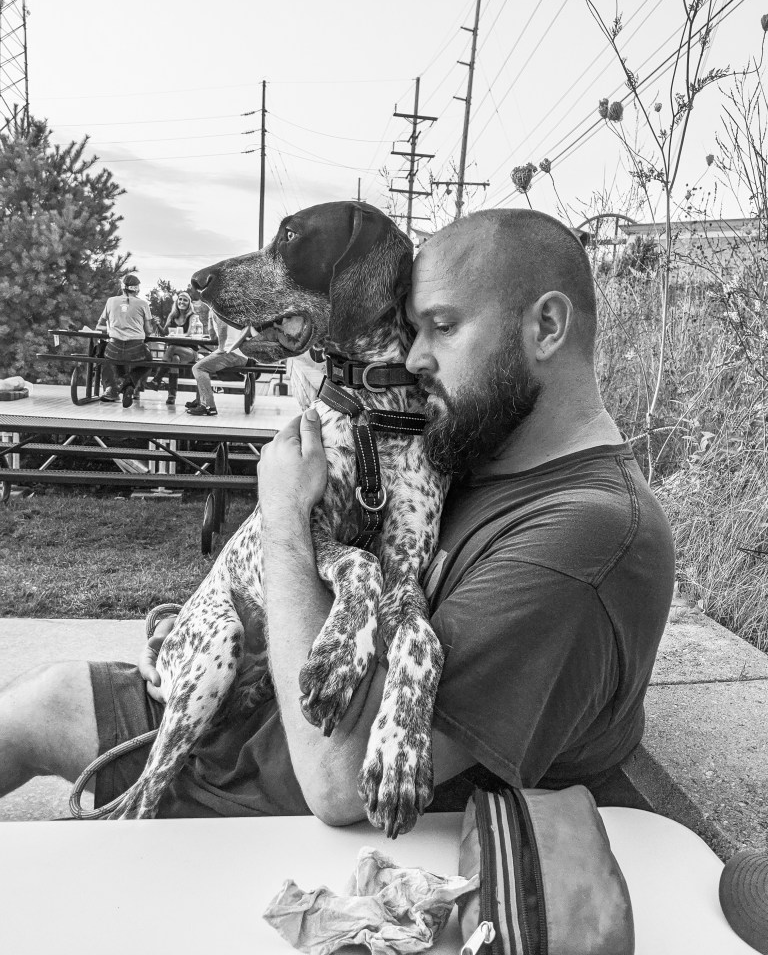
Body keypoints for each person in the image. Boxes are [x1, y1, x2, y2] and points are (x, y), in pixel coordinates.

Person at [0, 209, 674, 822]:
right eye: (411, 328)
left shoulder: (583, 540)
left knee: (35, 725)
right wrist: (229, 605)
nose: (413, 357)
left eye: (442, 327)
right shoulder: (482, 446)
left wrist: (283, 523)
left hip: (269, 780)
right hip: (255, 689)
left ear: (546, 327)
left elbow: (339, 783)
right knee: (37, 698)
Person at [95, 273, 154, 409]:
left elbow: (99, 326)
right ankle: (129, 384)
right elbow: (148, 331)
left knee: (116, 360)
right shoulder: (143, 304)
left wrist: (114, 328)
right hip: (136, 349)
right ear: (137, 289)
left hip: (113, 348)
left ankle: (124, 385)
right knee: (148, 362)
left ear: (122, 287)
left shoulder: (111, 301)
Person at [185, 309, 248, 417]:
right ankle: (201, 400)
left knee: (198, 368)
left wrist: (221, 348)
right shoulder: (227, 307)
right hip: (240, 353)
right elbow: (213, 336)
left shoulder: (217, 307)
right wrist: (210, 319)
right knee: (202, 364)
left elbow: (222, 328)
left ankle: (209, 406)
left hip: (232, 353)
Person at [146, 291, 198, 406]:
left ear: (189, 303)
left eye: (185, 300)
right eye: (180, 299)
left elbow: (190, 333)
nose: (182, 302)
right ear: (177, 301)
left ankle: (157, 379)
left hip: (190, 352)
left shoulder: (192, 316)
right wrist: (158, 324)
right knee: (174, 359)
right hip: (175, 353)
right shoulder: (172, 316)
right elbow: (165, 334)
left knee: (172, 347)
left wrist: (176, 336)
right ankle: (171, 396)